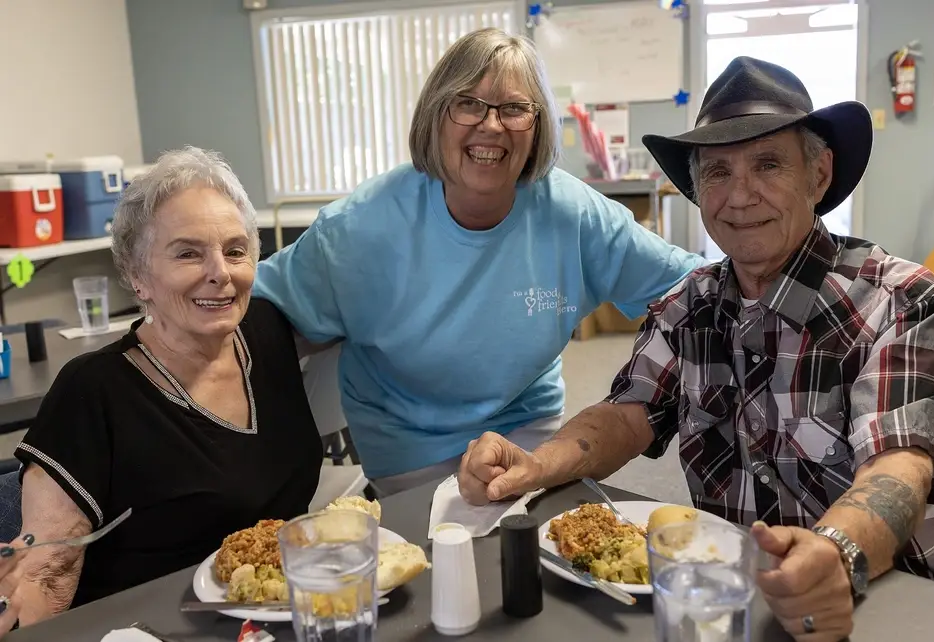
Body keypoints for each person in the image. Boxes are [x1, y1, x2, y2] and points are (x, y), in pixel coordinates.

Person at [458, 57, 934, 642]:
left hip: (895, 591)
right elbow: (627, 416)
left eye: (768, 164)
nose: (740, 196)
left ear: (818, 175)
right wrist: (535, 465)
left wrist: (837, 552)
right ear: (696, 191)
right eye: (718, 173)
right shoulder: (689, 303)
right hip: (731, 597)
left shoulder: (900, 300)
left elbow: (898, 469)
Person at [252, 27, 704, 495]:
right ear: (435, 115)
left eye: (514, 109)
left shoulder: (574, 214)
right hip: (410, 448)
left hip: (527, 431)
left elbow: (693, 288)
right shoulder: (359, 228)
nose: (491, 125)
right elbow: (249, 313)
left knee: (544, 556)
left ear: (538, 125)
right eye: (468, 103)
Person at [0, 147, 322, 634]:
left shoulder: (267, 331)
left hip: (275, 618)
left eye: (235, 250)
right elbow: (44, 573)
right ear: (136, 275)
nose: (220, 272)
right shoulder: (94, 392)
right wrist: (15, 600)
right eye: (188, 253)